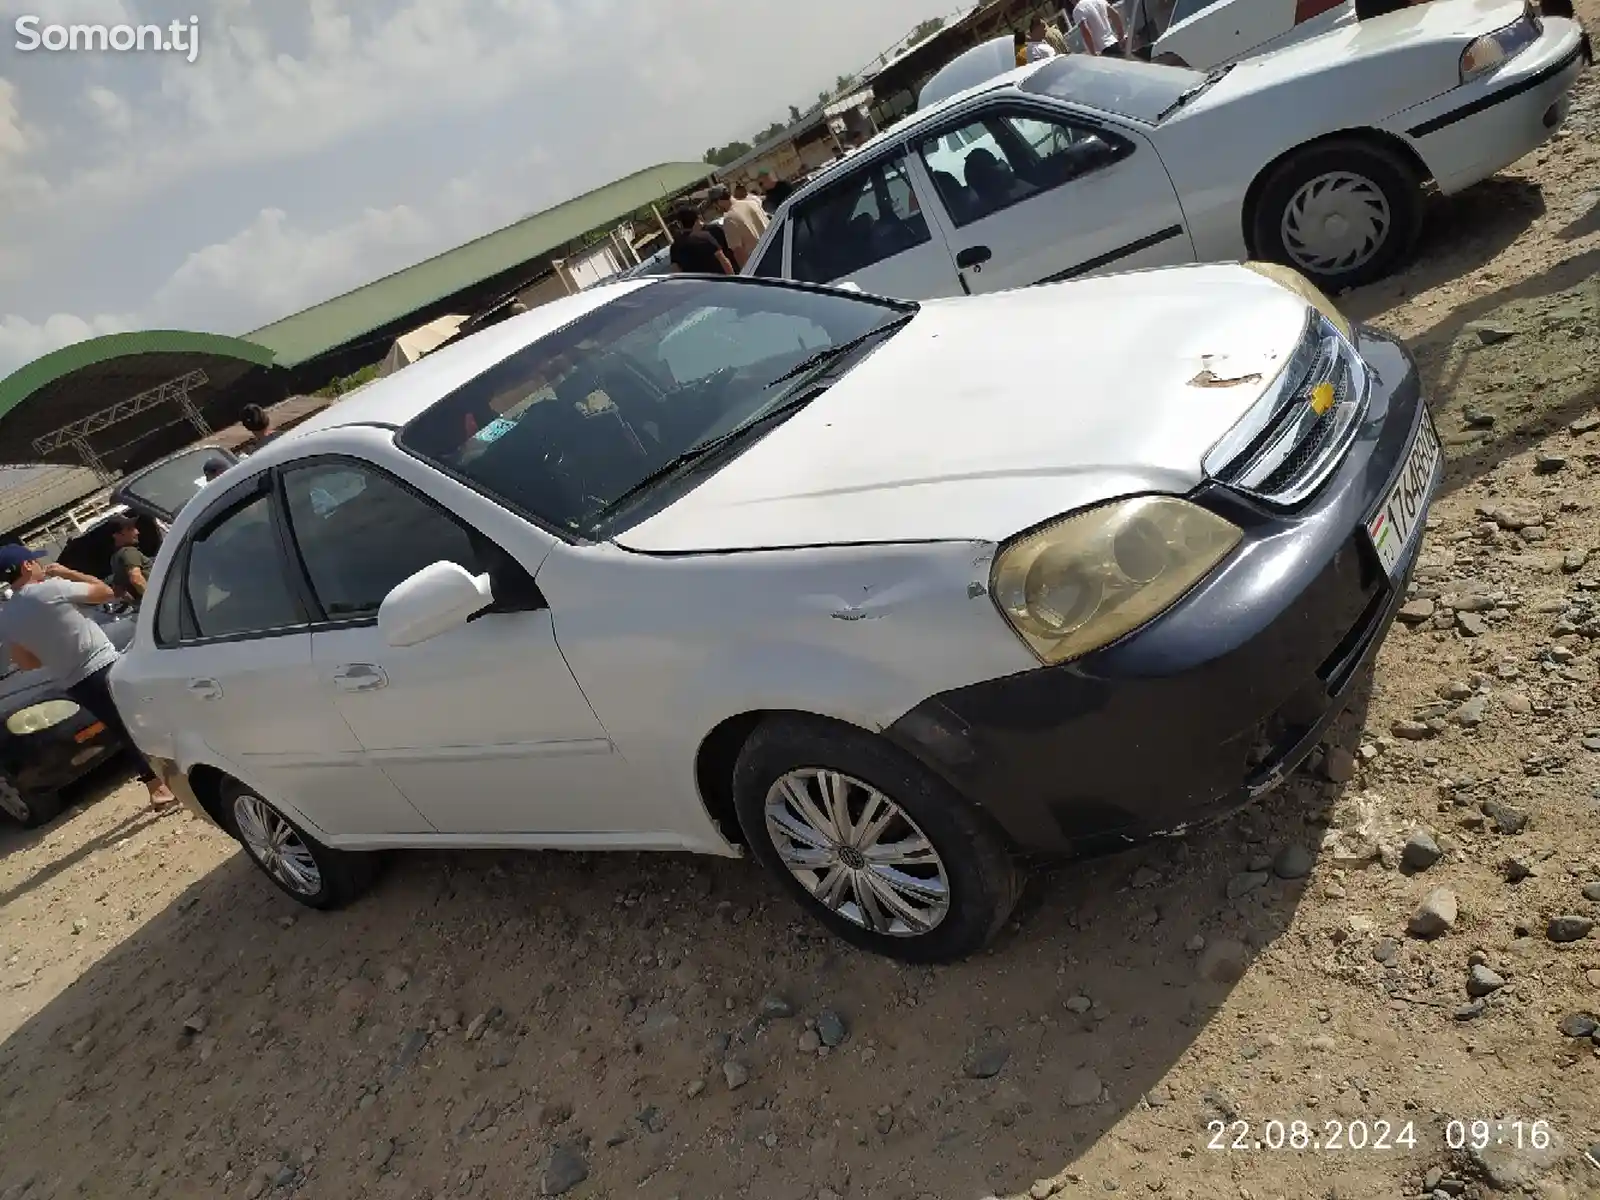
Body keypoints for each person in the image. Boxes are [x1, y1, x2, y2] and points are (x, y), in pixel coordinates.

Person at [0, 545, 178, 813]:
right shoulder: (52, 588)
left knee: (122, 727)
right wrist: (68, 572)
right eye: (34, 561)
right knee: (142, 716)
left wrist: (55, 650)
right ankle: (170, 778)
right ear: (26, 566)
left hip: (74, 682)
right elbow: (105, 592)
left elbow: (26, 663)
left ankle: (159, 786)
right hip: (103, 663)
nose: (39, 564)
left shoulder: (8, 617)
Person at [667, 203, 733, 275]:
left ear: (680, 224)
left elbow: (676, 272)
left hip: (698, 285)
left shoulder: (676, 247)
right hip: (719, 281)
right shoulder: (707, 236)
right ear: (698, 219)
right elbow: (723, 259)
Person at [712, 184, 765, 270]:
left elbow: (739, 252)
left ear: (719, 201)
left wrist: (747, 276)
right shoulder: (752, 204)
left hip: (760, 265)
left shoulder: (729, 219)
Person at [107, 516, 152, 606]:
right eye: (129, 529)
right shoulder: (129, 552)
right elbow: (136, 578)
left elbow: (118, 590)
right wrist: (153, 601)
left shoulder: (115, 558)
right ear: (117, 535)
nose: (137, 532)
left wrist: (136, 604)